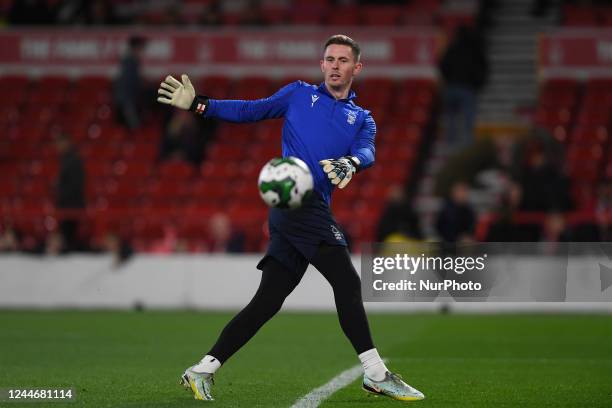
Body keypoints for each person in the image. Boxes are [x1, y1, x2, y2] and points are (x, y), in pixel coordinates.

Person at [156, 35, 425, 402]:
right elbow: (251, 110)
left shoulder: (363, 118)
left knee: (267, 301)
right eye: (329, 58)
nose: (334, 65)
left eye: (343, 60)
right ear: (321, 65)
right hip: (295, 201)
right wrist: (199, 105)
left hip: (311, 209)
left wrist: (353, 162)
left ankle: (202, 369)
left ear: (356, 68)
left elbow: (368, 152)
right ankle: (376, 373)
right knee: (346, 282)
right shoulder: (299, 94)